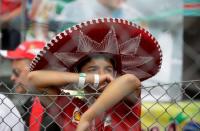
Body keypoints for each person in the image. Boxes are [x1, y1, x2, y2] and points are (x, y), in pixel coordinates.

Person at [28, 18, 162, 131]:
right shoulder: (72, 107)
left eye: (109, 70)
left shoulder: (125, 103)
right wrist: (88, 79)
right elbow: (33, 79)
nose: (103, 75)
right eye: (93, 70)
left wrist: (87, 118)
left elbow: (130, 80)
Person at [0, 41, 60, 131]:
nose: (12, 78)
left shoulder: (60, 108)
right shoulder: (35, 102)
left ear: (36, 71)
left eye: (17, 72)